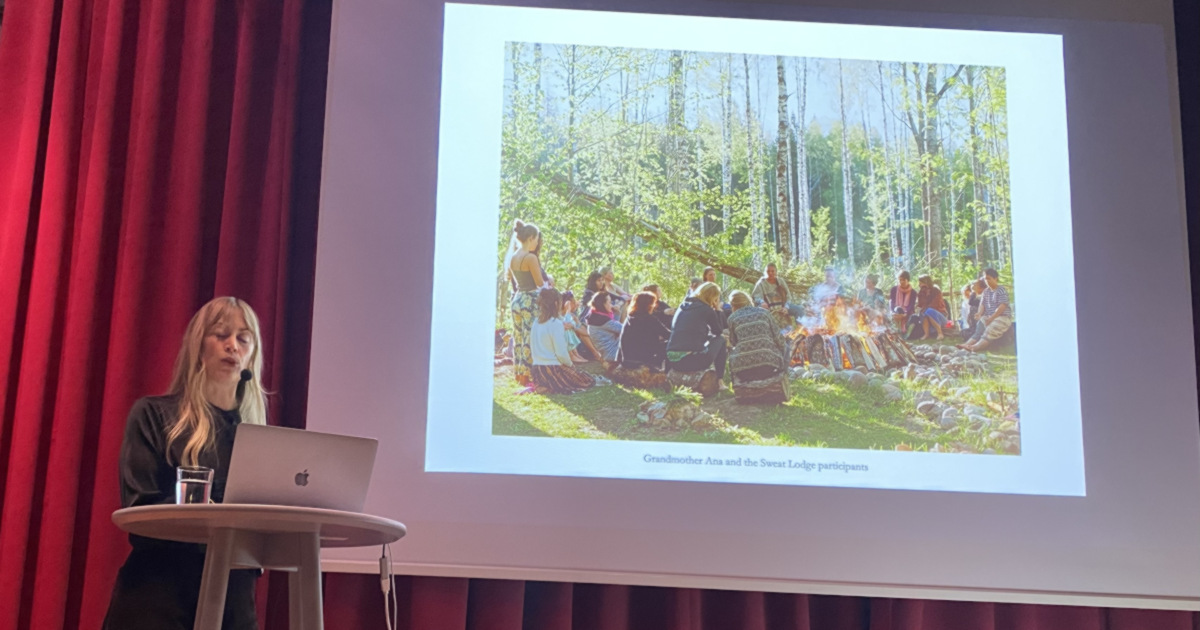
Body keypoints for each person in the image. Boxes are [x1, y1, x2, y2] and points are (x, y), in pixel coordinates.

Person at [103, 297, 267, 630]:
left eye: (243, 338)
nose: (232, 346)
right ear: (198, 345)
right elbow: (140, 509)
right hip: (159, 594)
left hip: (233, 602)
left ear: (253, 353)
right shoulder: (152, 415)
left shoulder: (259, 439)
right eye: (220, 334)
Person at [504, 220, 546, 386]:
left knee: (519, 337)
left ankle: (519, 374)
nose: (537, 242)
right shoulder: (530, 257)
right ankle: (528, 375)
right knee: (529, 338)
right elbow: (539, 283)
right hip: (530, 300)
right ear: (530, 238)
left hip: (517, 299)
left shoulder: (514, 257)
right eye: (536, 239)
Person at [530, 288, 596, 394]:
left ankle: (544, 385)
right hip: (552, 368)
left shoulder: (536, 322)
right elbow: (561, 353)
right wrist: (570, 365)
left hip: (537, 369)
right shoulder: (555, 323)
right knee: (588, 380)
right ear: (556, 304)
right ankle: (551, 386)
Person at [667, 282, 727, 385]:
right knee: (721, 340)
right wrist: (717, 310)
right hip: (691, 361)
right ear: (713, 297)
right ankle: (720, 381)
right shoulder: (707, 310)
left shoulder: (682, 306)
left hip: (672, 360)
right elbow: (718, 331)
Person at [726, 290, 789, 385]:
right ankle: (783, 375)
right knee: (787, 346)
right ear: (748, 300)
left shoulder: (732, 318)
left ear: (732, 305)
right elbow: (778, 339)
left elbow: (733, 342)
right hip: (769, 365)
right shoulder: (764, 313)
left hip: (743, 369)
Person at [960, 268, 1013, 352]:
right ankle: (967, 344)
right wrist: (979, 313)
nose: (986, 281)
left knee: (990, 329)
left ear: (995, 278)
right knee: (980, 325)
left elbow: (1002, 306)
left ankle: (976, 347)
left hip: (1002, 317)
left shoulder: (1001, 290)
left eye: (988, 278)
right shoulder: (986, 291)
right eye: (985, 278)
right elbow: (982, 304)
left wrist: (992, 318)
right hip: (988, 316)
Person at [618, 292, 671, 371]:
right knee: (670, 345)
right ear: (648, 305)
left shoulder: (630, 318)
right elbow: (668, 335)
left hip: (627, 359)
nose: (655, 306)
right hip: (643, 359)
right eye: (653, 303)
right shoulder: (649, 319)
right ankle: (666, 371)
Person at [560, 290, 602, 363]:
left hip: (576, 342)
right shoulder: (560, 316)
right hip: (569, 343)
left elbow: (586, 333)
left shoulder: (572, 315)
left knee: (581, 330)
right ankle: (575, 355)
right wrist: (575, 327)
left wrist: (575, 325)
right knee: (571, 331)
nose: (576, 304)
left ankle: (595, 353)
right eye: (573, 302)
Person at [585, 292, 623, 362]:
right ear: (603, 304)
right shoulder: (603, 321)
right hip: (613, 354)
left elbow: (615, 327)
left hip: (608, 353)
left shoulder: (594, 316)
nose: (611, 305)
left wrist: (617, 313)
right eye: (609, 302)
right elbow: (625, 330)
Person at [914, 275, 951, 340]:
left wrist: (926, 308)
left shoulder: (936, 290)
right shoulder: (922, 292)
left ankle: (940, 333)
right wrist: (922, 293)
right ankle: (926, 334)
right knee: (923, 312)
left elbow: (935, 304)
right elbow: (920, 304)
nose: (919, 285)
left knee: (929, 311)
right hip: (927, 314)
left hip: (941, 315)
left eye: (921, 283)